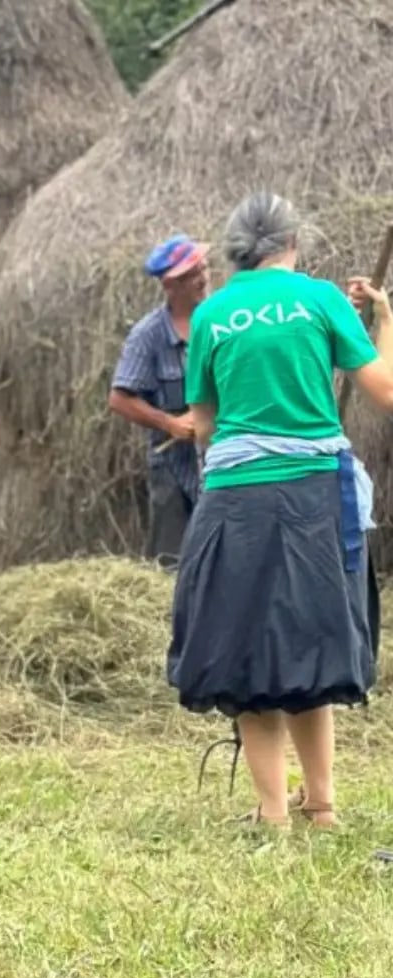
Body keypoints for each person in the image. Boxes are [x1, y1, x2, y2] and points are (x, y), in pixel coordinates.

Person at [167, 190, 393, 829]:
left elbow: (205, 426)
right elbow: (386, 392)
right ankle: (320, 806)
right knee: (311, 642)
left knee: (244, 645)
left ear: (237, 249)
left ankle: (272, 811)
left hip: (237, 499)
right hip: (316, 497)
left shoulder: (213, 314)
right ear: (295, 242)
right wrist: (384, 321)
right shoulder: (322, 300)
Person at [109, 234, 212, 568]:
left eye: (204, 268)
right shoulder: (149, 335)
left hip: (223, 461)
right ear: (170, 285)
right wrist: (170, 423)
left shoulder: (223, 320)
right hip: (173, 469)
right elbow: (120, 399)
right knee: (173, 562)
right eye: (191, 275)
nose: (203, 279)